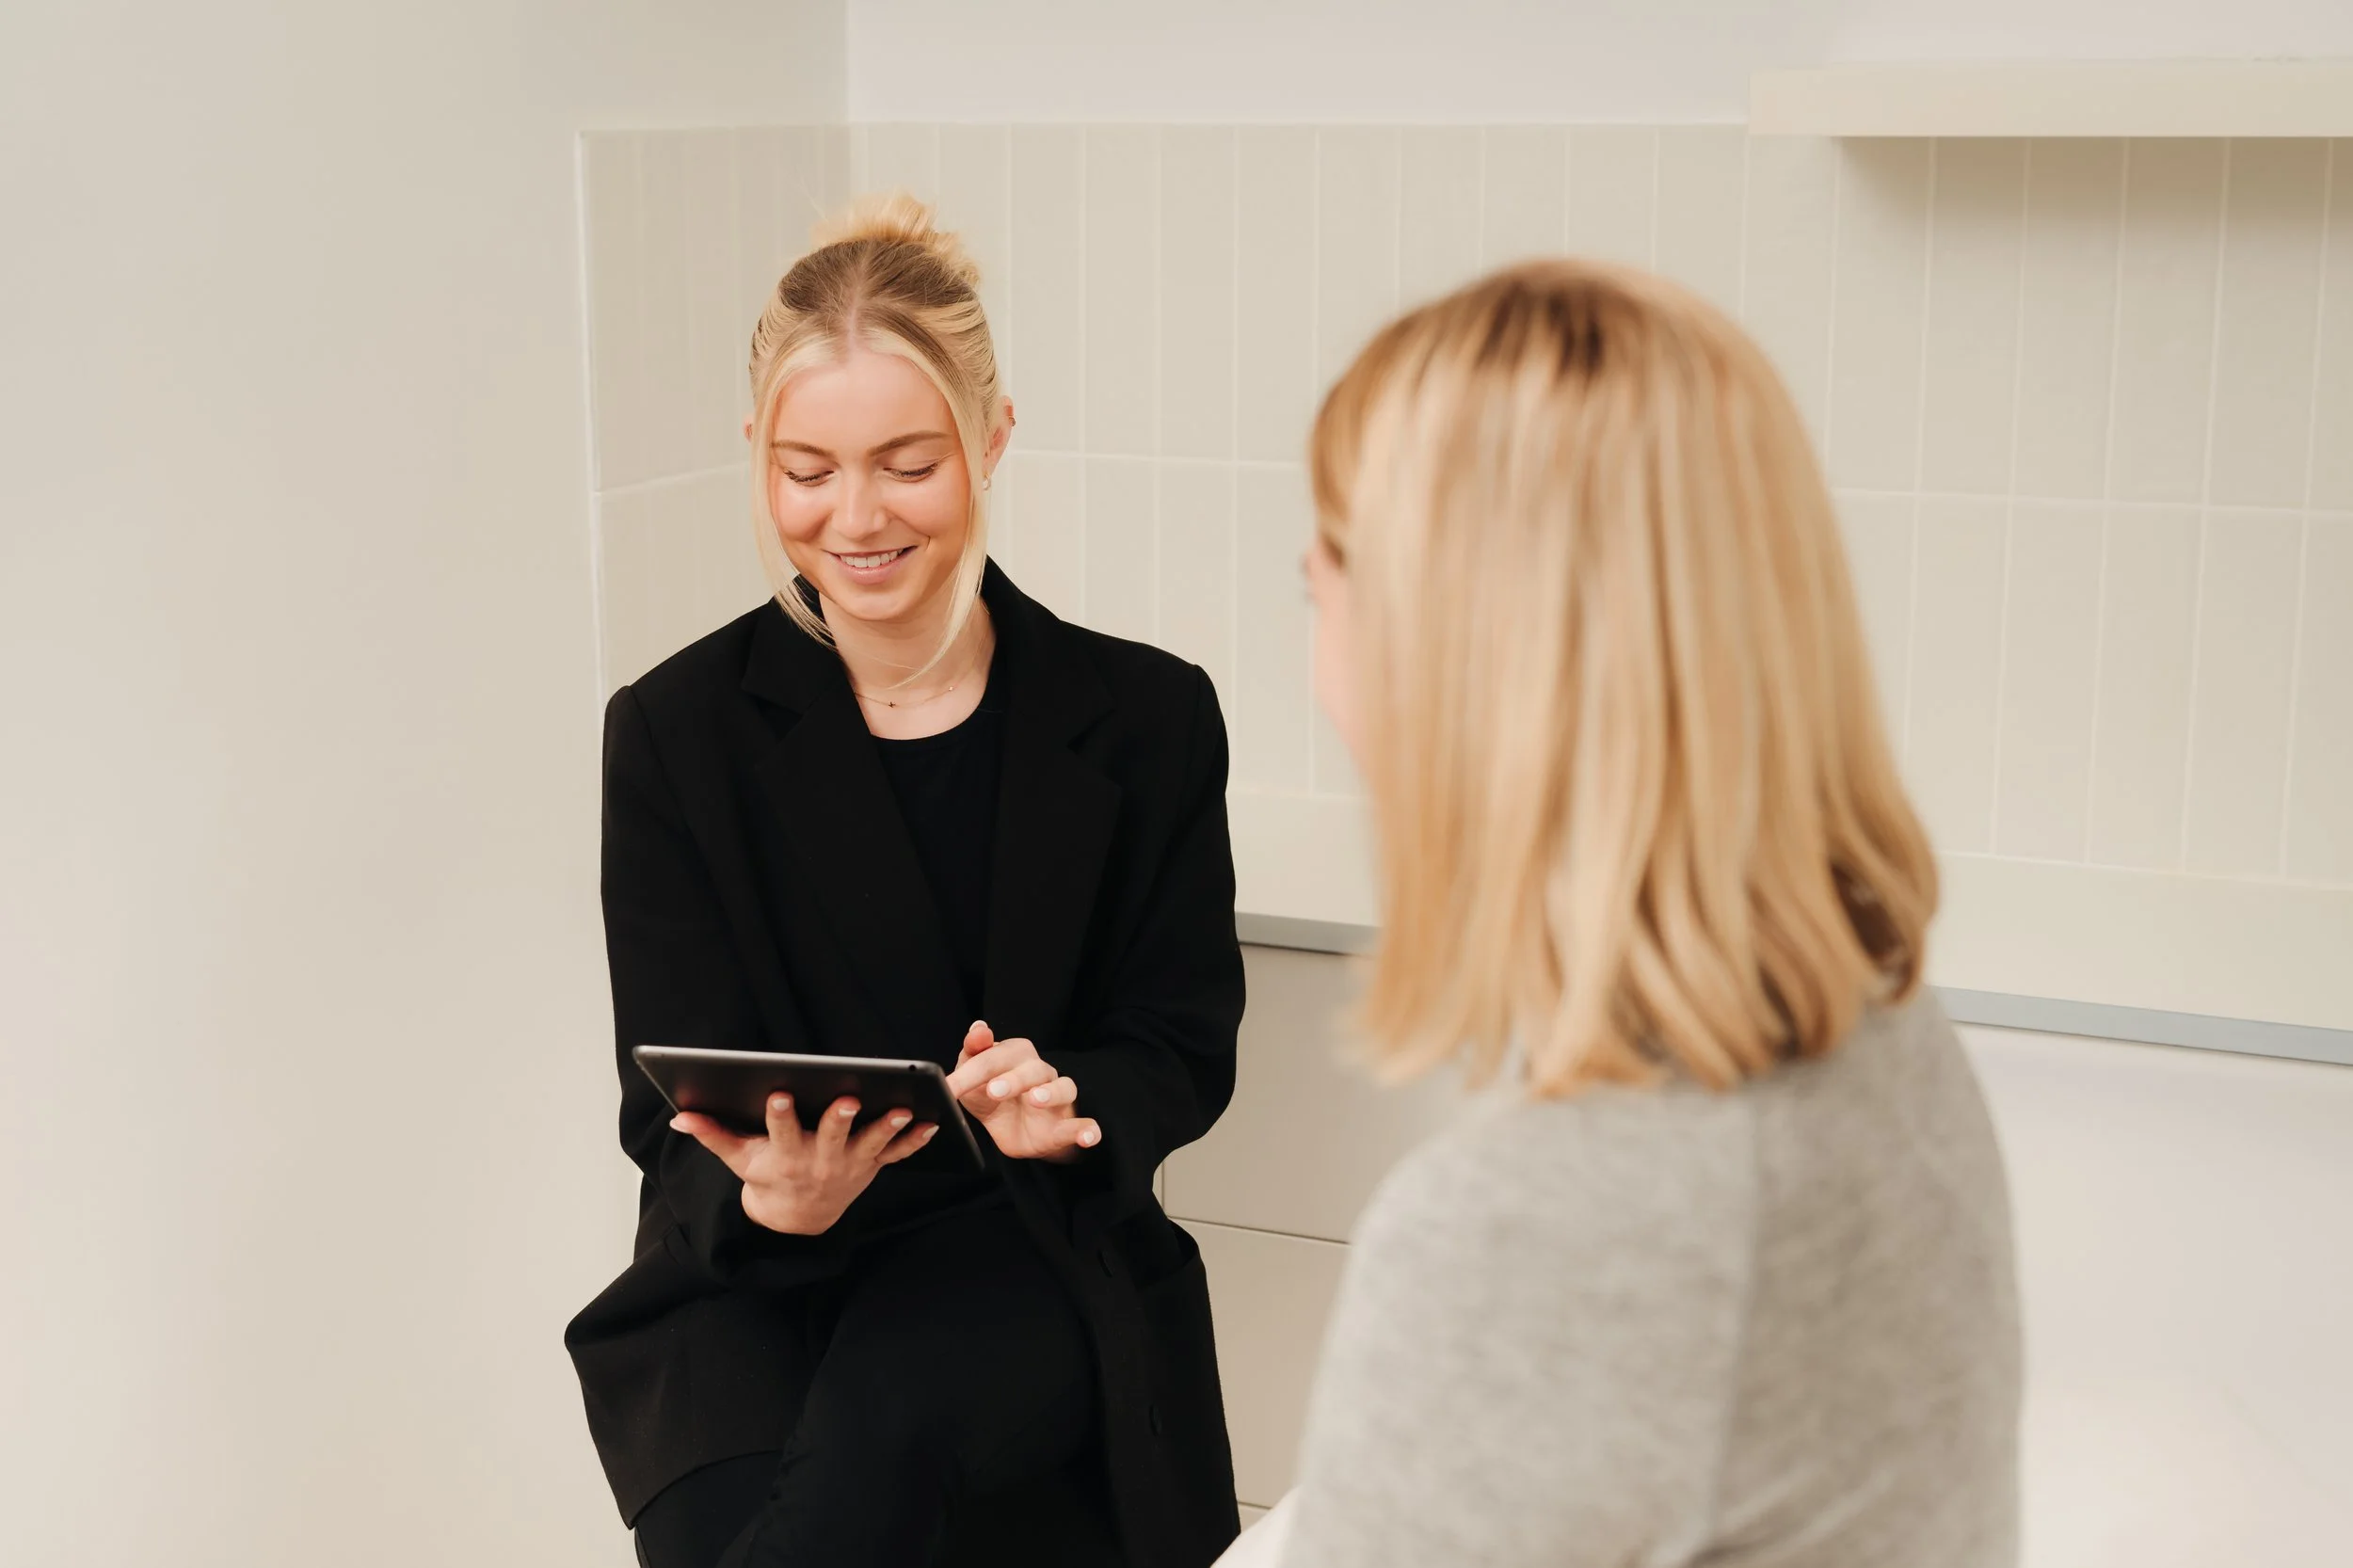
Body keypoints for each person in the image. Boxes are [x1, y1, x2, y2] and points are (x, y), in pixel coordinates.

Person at [1227, 261, 2022, 1566]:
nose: (1318, 662)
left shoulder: (1537, 1230)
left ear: (1458, 661)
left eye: (1321, 591)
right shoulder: (1884, 1033)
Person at [565, 195, 1244, 1568]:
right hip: (751, 1273)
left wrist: (1067, 1108)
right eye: (807, 467)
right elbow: (663, 1111)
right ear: (756, 457)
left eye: (907, 461)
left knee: (874, 1446)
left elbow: (1180, 1042)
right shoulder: (677, 730)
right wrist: (770, 1197)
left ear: (991, 439)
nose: (855, 516)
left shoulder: (1148, 716)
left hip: (1026, 1250)